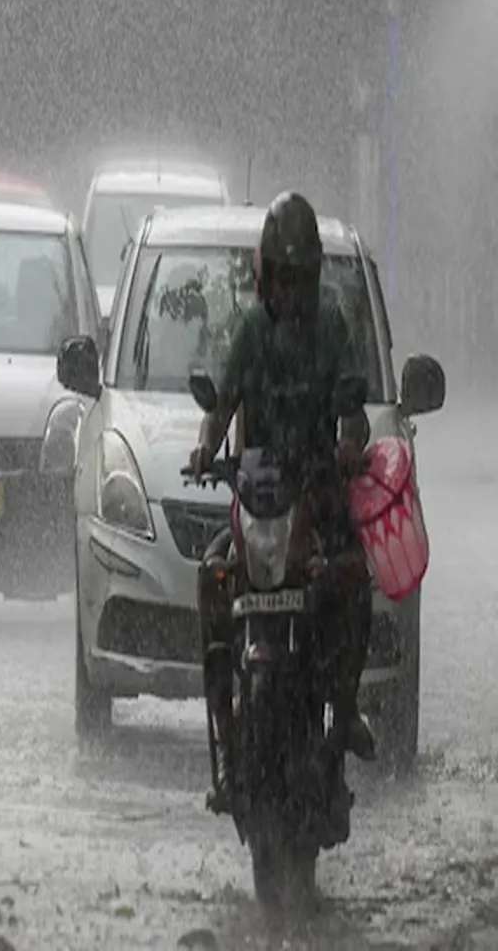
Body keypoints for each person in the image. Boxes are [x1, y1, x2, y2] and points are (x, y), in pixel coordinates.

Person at [189, 190, 375, 815]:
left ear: (314, 275)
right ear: (266, 275)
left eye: (302, 278)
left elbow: (353, 410)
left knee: (355, 579)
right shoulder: (247, 330)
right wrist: (204, 448)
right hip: (258, 489)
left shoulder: (333, 325)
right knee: (211, 578)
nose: (292, 291)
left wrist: (350, 444)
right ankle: (221, 732)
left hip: (317, 488)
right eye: (283, 277)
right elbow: (222, 406)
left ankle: (344, 708)